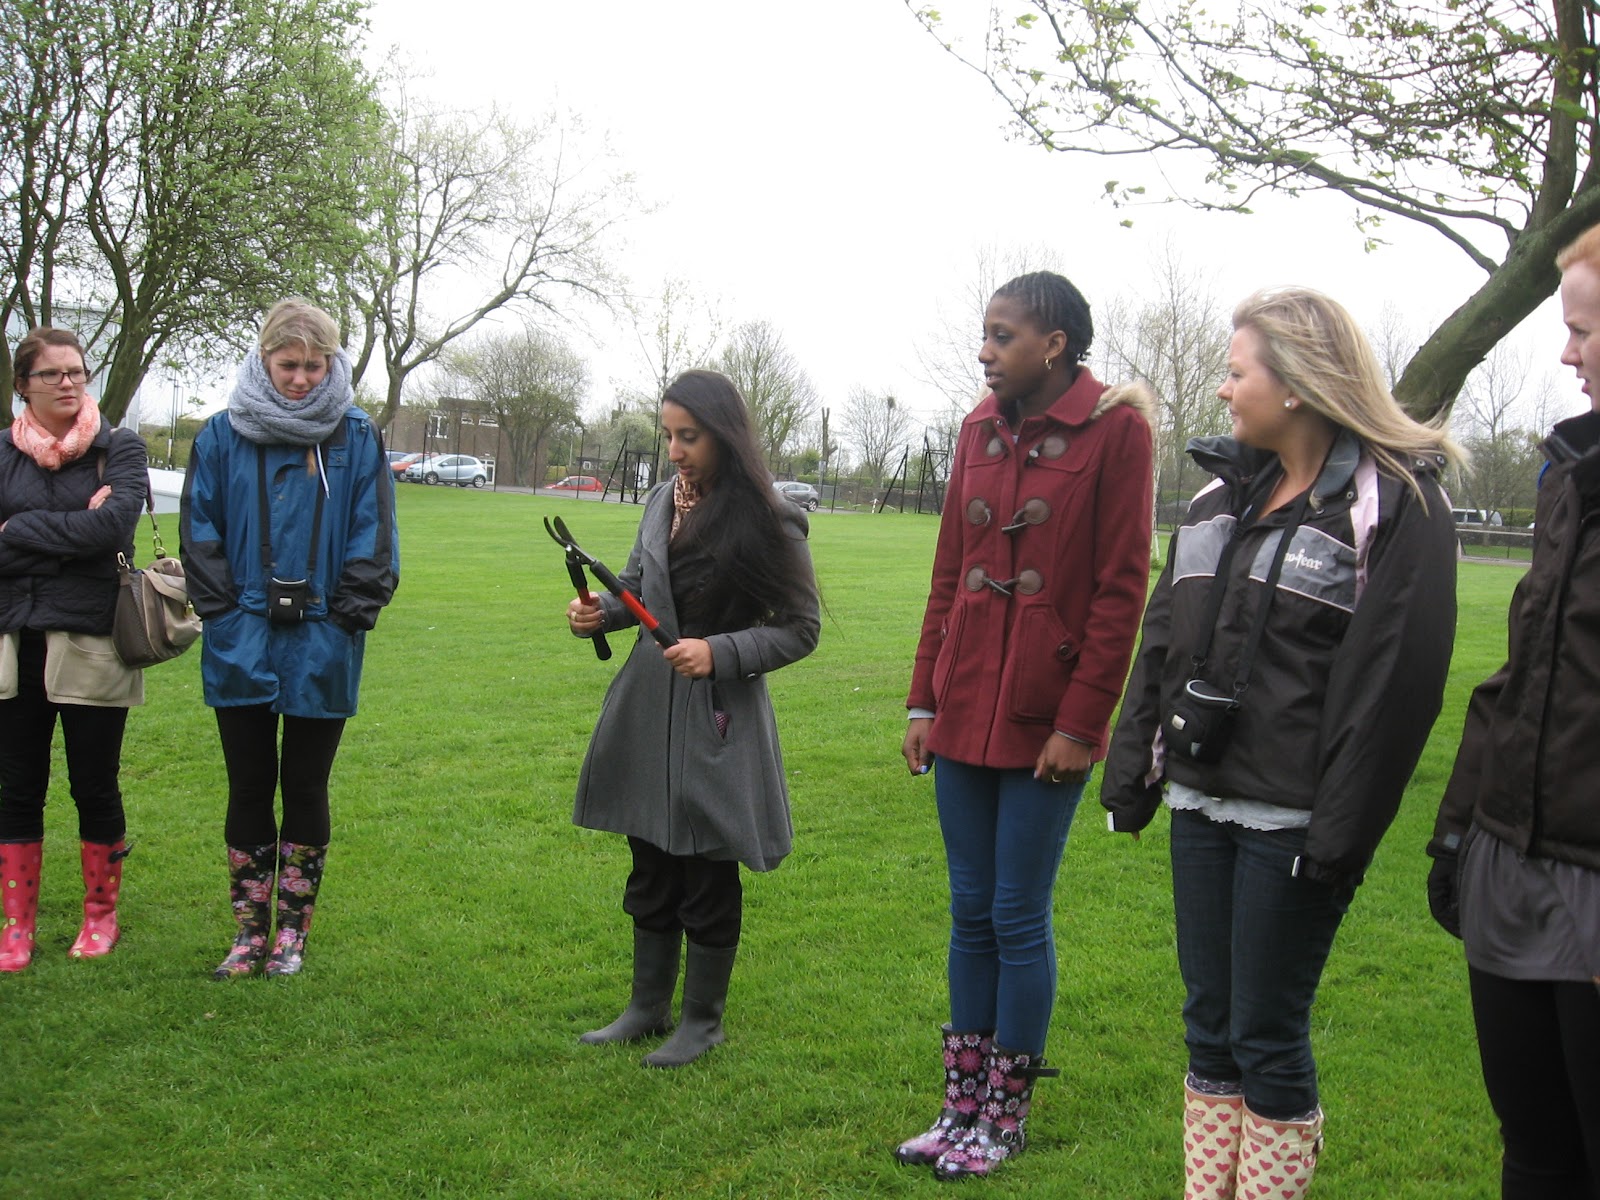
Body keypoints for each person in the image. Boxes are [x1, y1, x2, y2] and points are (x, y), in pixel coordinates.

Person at [1101, 287, 1462, 1200]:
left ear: (1296, 384)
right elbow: (1163, 639)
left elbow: (1392, 690)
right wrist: (1134, 767)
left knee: (1266, 1030)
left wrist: (1337, 834)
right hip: (1201, 799)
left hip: (1290, 823)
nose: (1223, 392)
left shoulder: (1394, 502)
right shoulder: (1220, 495)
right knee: (1209, 1025)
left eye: (1235, 372)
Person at [898, 271, 1156, 1180]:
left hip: (1049, 718)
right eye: (985, 334)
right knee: (969, 910)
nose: (985, 350)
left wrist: (1082, 725)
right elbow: (948, 575)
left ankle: (1003, 1118)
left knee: (1016, 911)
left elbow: (1124, 589)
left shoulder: (1117, 430)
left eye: (1002, 335)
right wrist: (923, 699)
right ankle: (958, 1106)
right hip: (964, 704)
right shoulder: (976, 428)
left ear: (1055, 343)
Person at [567, 369, 819, 1068]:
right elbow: (643, 589)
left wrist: (719, 651)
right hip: (648, 709)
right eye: (669, 434)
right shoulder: (659, 500)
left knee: (706, 867)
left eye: (690, 436)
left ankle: (702, 1022)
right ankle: (647, 1008)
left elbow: (801, 630)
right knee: (649, 859)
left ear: (725, 436)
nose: (675, 450)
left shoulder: (771, 518)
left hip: (718, 717)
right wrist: (602, 613)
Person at [1429, 226, 1600, 1200]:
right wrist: (1456, 832)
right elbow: (1520, 676)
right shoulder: (1566, 477)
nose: (1564, 353)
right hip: (1512, 867)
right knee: (1535, 1160)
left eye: (1580, 330)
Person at [180, 298, 398, 980]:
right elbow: (201, 531)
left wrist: (346, 614)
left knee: (305, 785)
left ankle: (291, 935)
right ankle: (248, 933)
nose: (302, 379)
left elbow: (374, 533)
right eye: (288, 365)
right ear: (263, 359)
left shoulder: (356, 436)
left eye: (314, 365)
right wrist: (225, 616)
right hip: (243, 633)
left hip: (322, 638)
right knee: (248, 786)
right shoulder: (221, 436)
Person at [0, 327, 148, 972]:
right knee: (15, 788)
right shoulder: (3, 454)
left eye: (76, 372)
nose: (67, 383)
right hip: (14, 638)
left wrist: (19, 530)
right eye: (51, 374)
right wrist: (74, 534)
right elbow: (88, 534)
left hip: (91, 637)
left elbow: (113, 530)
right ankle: (16, 925)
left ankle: (100, 916)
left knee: (94, 783)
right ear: (21, 386)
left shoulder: (119, 449)